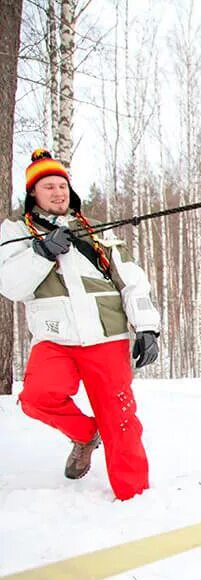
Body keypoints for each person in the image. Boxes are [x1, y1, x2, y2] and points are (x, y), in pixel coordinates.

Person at [0, 149, 160, 501]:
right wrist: (41, 253)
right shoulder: (14, 231)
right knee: (37, 398)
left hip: (107, 336)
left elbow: (132, 280)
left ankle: (134, 498)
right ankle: (86, 434)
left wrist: (147, 326)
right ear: (32, 194)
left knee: (119, 419)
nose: (58, 192)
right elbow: (10, 285)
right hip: (55, 337)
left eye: (62, 185)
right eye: (48, 187)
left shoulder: (94, 231)